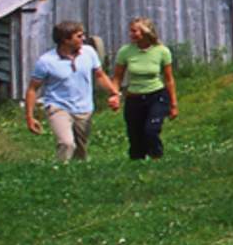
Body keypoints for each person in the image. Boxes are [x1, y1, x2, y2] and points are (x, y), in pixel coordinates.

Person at [24, 20, 121, 162]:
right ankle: (59, 173)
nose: (83, 39)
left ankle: (77, 177)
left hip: (84, 108)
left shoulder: (89, 52)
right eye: (79, 36)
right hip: (58, 106)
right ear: (65, 40)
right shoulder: (46, 61)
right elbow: (32, 89)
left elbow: (100, 75)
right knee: (67, 143)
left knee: (81, 150)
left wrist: (114, 93)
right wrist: (30, 117)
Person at [113, 17, 178, 160]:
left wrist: (173, 104)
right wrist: (115, 95)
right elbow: (117, 77)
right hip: (134, 97)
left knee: (151, 130)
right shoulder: (126, 51)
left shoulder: (162, 51)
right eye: (130, 31)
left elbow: (169, 79)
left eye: (134, 31)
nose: (131, 34)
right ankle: (137, 163)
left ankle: (156, 157)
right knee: (135, 135)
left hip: (156, 95)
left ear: (145, 32)